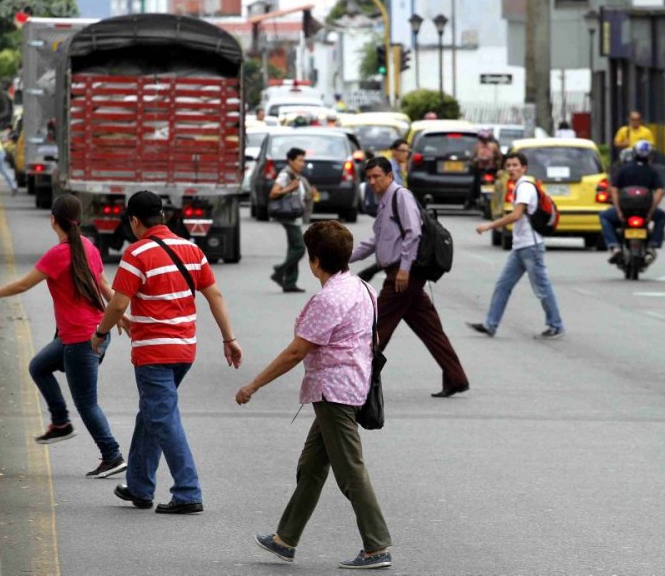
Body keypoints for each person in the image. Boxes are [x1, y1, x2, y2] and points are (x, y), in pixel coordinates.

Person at [236, 220, 392, 570]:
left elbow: (296, 352)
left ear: (315, 259)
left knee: (350, 471)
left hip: (335, 392)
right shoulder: (362, 287)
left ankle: (376, 545)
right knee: (311, 466)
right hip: (350, 384)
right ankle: (285, 539)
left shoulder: (329, 298)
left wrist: (253, 385)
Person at [92, 191, 242, 513]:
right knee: (151, 414)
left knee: (163, 418)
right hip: (184, 351)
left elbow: (118, 303)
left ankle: (188, 492)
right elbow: (214, 294)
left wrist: (101, 332)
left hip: (153, 353)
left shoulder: (136, 254)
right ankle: (140, 486)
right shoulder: (191, 249)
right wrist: (229, 339)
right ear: (163, 216)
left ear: (134, 220)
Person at [0, 194, 128, 478]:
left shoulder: (58, 255)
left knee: (87, 403)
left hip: (83, 340)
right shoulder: (88, 247)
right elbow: (104, 284)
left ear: (53, 220)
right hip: (90, 335)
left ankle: (112, 455)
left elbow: (22, 285)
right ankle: (60, 423)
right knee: (39, 367)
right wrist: (120, 315)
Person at [350, 157, 470, 398]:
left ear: (389, 175)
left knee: (378, 326)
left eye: (377, 176)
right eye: (369, 178)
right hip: (403, 274)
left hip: (403, 275)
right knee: (430, 328)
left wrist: (404, 268)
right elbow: (376, 240)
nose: (372, 182)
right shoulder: (385, 202)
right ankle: (456, 378)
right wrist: (345, 257)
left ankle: (355, 380)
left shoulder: (400, 196)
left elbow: (413, 233)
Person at [469, 152, 565, 339]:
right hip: (521, 247)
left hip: (531, 247)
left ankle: (556, 325)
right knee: (502, 286)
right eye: (509, 165)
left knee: (542, 288)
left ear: (524, 168)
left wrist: (489, 225)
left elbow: (516, 215)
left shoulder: (525, 187)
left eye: (515, 165)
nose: (511, 169)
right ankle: (490, 324)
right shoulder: (520, 186)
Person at [600, 140, 665, 264]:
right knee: (662, 216)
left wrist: (619, 210)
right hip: (645, 211)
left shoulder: (623, 170)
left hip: (625, 210)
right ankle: (653, 245)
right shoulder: (652, 171)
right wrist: (651, 211)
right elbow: (660, 191)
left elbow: (614, 189)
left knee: (604, 216)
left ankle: (614, 246)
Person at [270, 147, 314, 293]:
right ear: (291, 161)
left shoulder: (296, 175)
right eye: (300, 160)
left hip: (295, 216)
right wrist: (289, 188)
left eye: (303, 160)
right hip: (289, 216)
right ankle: (279, 270)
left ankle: (290, 283)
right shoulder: (286, 175)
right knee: (300, 248)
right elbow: (274, 193)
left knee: (293, 249)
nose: (302, 163)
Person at [467, 129, 502, 209]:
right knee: (475, 185)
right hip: (481, 171)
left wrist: (498, 165)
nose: (485, 142)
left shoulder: (493, 146)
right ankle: (471, 201)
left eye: (486, 140)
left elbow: (499, 157)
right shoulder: (478, 147)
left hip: (491, 170)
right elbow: (473, 158)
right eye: (483, 140)